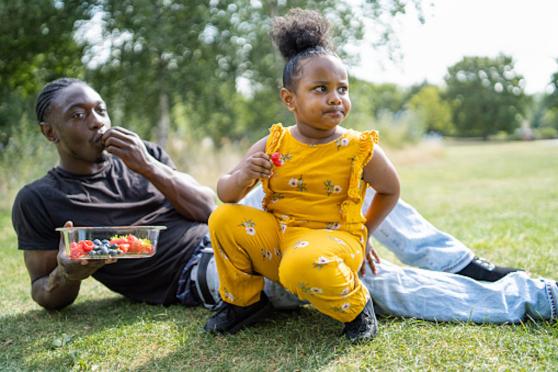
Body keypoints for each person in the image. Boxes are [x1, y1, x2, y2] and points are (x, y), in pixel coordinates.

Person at [12, 78, 557, 332]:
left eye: (100, 108)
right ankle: (534, 298)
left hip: (231, 225)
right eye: (79, 115)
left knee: (338, 172)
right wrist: (67, 272)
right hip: (207, 270)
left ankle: (460, 262)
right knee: (360, 282)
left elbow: (209, 206)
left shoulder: (141, 156)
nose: (98, 121)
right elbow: (44, 294)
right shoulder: (38, 200)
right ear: (49, 130)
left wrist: (149, 165)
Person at [204, 9, 400, 342]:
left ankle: (356, 305)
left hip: (332, 242)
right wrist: (242, 175)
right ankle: (244, 303)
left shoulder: (358, 147)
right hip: (280, 239)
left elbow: (391, 190)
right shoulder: (275, 141)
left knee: (300, 265)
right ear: (289, 99)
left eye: (343, 88)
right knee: (223, 219)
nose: (336, 97)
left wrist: (364, 231)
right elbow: (226, 193)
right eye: (321, 89)